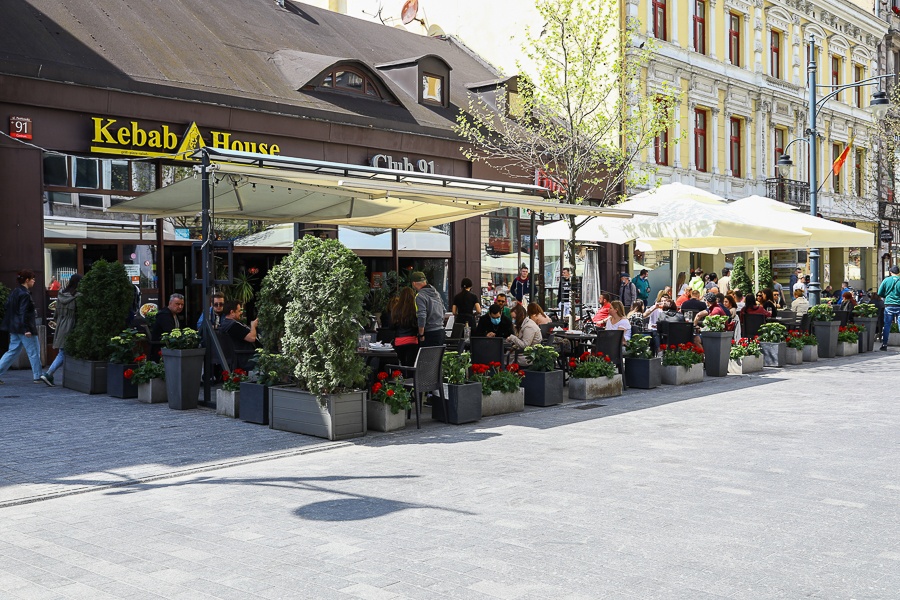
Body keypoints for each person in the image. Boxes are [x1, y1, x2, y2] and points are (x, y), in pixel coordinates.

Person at [0, 270, 43, 384]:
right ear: (27, 280)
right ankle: (38, 376)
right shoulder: (25, 294)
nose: (34, 280)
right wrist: (26, 329)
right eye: (32, 278)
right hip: (25, 328)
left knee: (12, 351)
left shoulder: (15, 292)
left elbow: (8, 306)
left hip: (14, 327)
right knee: (34, 351)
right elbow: (23, 312)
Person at [40, 274, 82, 386]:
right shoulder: (78, 297)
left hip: (60, 325)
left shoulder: (60, 294)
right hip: (70, 326)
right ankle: (49, 374)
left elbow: (55, 315)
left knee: (62, 351)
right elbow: (80, 315)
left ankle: (52, 375)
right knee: (63, 352)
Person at [219, 300, 259, 369]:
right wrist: (253, 325)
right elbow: (252, 338)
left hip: (240, 356)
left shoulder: (225, 323)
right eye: (239, 311)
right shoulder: (233, 326)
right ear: (232, 312)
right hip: (247, 357)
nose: (241, 312)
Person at [411, 271, 446, 347]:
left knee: (426, 358)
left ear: (413, 283)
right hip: (440, 331)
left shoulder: (420, 296)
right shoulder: (436, 293)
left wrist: (421, 334)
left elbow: (422, 316)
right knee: (437, 358)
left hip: (429, 333)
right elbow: (444, 310)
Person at [390, 287, 419, 367]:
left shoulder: (396, 309)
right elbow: (418, 325)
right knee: (411, 364)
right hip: (412, 340)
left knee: (401, 364)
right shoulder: (415, 309)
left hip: (399, 341)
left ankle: (402, 378)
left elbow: (392, 326)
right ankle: (410, 378)